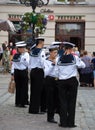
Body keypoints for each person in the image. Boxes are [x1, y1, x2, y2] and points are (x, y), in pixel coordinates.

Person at [57, 42, 86, 128]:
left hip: (61, 81)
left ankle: (63, 122)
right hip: (72, 81)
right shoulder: (75, 58)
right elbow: (83, 65)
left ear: (65, 49)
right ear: (70, 49)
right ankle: (70, 123)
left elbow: (56, 71)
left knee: (63, 102)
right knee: (72, 102)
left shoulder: (59, 58)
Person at [29, 37, 46, 114]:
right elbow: (43, 63)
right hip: (39, 71)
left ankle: (32, 108)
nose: (43, 44)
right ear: (41, 42)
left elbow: (30, 62)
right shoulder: (41, 52)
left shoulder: (32, 51)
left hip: (33, 71)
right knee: (38, 91)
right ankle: (36, 109)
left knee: (33, 90)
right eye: (43, 42)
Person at [44, 44, 59, 123]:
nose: (56, 54)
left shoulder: (58, 60)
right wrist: (52, 65)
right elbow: (45, 73)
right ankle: (50, 117)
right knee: (50, 99)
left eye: (56, 52)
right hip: (49, 80)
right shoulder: (46, 61)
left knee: (57, 98)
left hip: (57, 80)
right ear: (50, 53)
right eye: (54, 52)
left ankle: (57, 112)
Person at [11, 41, 29, 108]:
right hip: (17, 72)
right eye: (20, 48)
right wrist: (12, 73)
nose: (22, 49)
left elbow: (28, 64)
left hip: (23, 72)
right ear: (18, 49)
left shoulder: (26, 55)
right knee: (18, 87)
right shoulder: (15, 55)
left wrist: (22, 59)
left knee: (24, 87)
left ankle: (23, 102)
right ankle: (18, 102)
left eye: (23, 48)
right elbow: (13, 64)